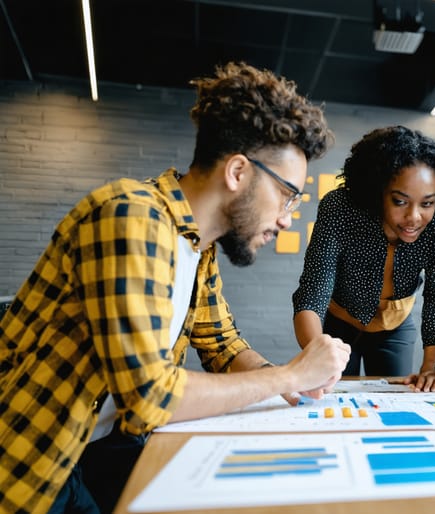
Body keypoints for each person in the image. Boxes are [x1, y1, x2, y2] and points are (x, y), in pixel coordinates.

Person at [0, 62, 352, 514]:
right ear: (238, 172)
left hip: (99, 447)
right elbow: (151, 397)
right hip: (30, 463)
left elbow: (222, 346)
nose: (286, 219)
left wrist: (293, 388)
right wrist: (289, 374)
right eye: (287, 195)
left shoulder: (197, 245)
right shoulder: (132, 217)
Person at [292, 126, 435, 392]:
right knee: (328, 392)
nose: (414, 217)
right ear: (378, 191)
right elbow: (313, 291)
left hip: (395, 328)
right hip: (337, 324)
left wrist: (432, 367)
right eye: (400, 202)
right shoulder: (340, 209)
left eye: (427, 203)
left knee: (394, 397)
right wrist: (317, 354)